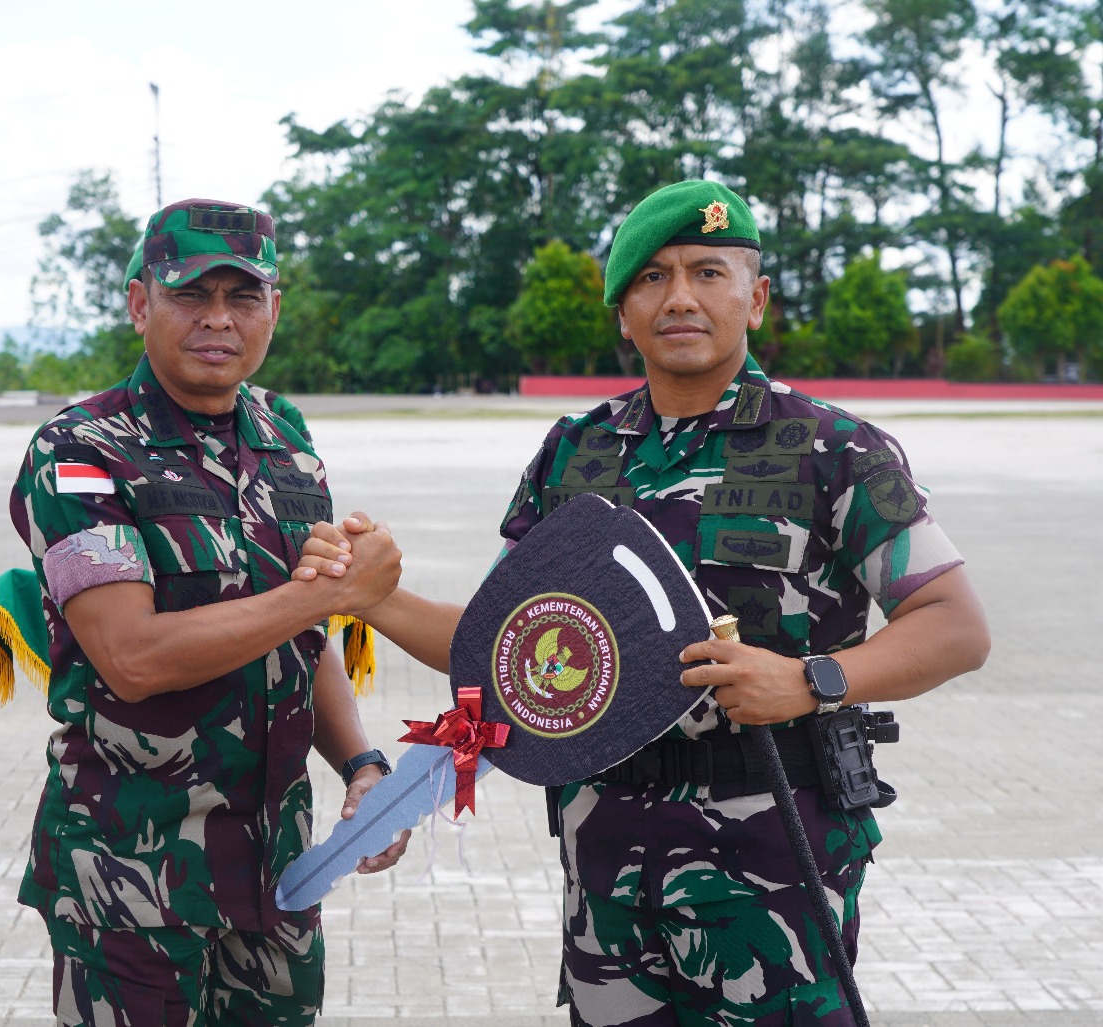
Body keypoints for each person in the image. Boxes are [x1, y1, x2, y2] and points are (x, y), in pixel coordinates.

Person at [298, 181, 990, 1025]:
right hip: (609, 873)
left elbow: (956, 625)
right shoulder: (576, 453)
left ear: (756, 299)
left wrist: (812, 679)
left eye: (708, 272)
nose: (681, 297)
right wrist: (376, 599)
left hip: (773, 866)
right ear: (624, 314)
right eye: (653, 278)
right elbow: (504, 647)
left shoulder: (832, 448)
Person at [10, 197, 407, 1027]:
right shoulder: (80, 451)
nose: (219, 319)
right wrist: (326, 592)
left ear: (274, 309)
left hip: (277, 877)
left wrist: (363, 765)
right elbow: (132, 657)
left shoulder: (286, 440)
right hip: (130, 883)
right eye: (191, 294)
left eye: (243, 296)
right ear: (139, 303)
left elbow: (304, 638)